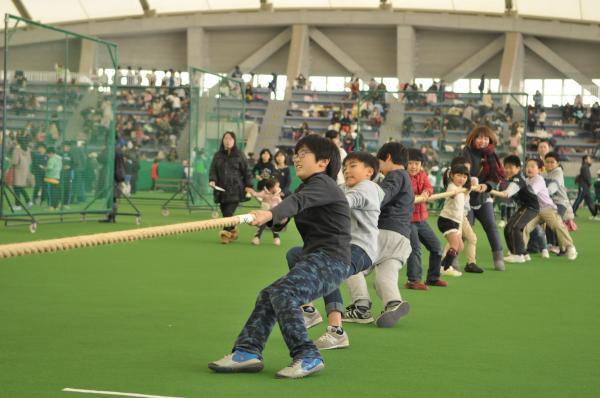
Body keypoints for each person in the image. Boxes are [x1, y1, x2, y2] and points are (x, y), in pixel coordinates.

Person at [208, 134, 351, 378]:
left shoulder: (323, 184)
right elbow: (290, 210)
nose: (297, 158)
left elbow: (297, 201)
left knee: (284, 293)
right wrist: (278, 220)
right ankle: (248, 351)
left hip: (331, 261)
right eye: (296, 154)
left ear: (323, 162)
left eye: (303, 153)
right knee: (268, 295)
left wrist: (270, 214)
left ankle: (308, 355)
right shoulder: (307, 187)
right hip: (315, 259)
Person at [294, 152, 384, 349]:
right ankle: (307, 308)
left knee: (329, 268)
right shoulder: (344, 187)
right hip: (339, 246)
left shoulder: (367, 188)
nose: (347, 170)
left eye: (353, 166)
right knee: (295, 254)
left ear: (369, 172)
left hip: (360, 248)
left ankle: (336, 331)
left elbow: (344, 201)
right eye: (345, 167)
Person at [344, 142, 413, 328]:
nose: (379, 169)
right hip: (402, 239)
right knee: (384, 277)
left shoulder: (395, 175)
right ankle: (393, 303)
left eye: (380, 163)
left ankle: (361, 307)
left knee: (352, 265)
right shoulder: (407, 179)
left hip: (384, 232)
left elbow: (381, 196)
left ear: (388, 158)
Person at [462, 126, 506, 271]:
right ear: (473, 138)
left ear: (490, 140)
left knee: (491, 227)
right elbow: (463, 169)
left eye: (486, 138)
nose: (483, 141)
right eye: (479, 137)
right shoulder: (466, 151)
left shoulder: (492, 155)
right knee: (463, 231)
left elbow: (495, 179)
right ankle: (450, 261)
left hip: (483, 196)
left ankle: (498, 259)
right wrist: (469, 179)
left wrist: (486, 186)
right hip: (466, 197)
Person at [405, 149, 447, 290]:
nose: (413, 166)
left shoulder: (422, 174)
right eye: (410, 163)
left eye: (416, 163)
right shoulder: (403, 176)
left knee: (436, 247)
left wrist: (426, 192)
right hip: (408, 220)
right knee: (415, 249)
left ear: (421, 164)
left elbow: (428, 187)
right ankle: (413, 280)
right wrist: (416, 195)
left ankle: (433, 278)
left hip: (421, 219)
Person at [524, 158, 578, 260]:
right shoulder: (526, 181)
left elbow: (532, 192)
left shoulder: (538, 179)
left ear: (539, 170)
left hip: (547, 208)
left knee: (557, 225)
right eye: (527, 166)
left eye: (532, 166)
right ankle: (520, 251)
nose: (529, 168)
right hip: (535, 210)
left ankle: (569, 247)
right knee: (524, 226)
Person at [493, 156, 540, 263]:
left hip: (531, 207)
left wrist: (488, 190)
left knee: (515, 227)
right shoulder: (511, 178)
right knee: (508, 228)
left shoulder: (517, 179)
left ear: (518, 168)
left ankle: (518, 255)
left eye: (511, 167)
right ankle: (521, 253)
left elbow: (506, 194)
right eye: (506, 167)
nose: (508, 170)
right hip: (525, 207)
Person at [208, 131, 253, 244]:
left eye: (230, 139)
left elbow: (247, 171)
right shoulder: (217, 155)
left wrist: (249, 185)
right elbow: (213, 170)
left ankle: (225, 234)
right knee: (226, 213)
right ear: (222, 140)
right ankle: (233, 229)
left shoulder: (239, 155)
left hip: (236, 189)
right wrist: (212, 180)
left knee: (228, 212)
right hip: (221, 190)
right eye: (226, 138)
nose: (227, 141)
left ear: (234, 141)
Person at [437, 164, 471, 272]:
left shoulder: (460, 189)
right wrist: (455, 193)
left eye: (465, 177)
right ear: (452, 176)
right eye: (459, 175)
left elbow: (462, 202)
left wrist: (467, 191)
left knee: (460, 246)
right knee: (455, 244)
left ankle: (442, 265)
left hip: (455, 222)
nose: (462, 179)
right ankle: (446, 268)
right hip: (447, 220)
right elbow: (451, 194)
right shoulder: (452, 186)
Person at [543, 152, 574, 252]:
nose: (549, 164)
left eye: (552, 162)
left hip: (560, 202)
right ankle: (555, 245)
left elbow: (553, 186)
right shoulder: (547, 173)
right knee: (551, 222)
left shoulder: (558, 172)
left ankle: (558, 245)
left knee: (553, 221)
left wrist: (546, 192)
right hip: (551, 202)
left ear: (558, 163)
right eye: (547, 162)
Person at [250, 179, 285, 246]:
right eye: (277, 186)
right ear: (271, 188)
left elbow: (281, 203)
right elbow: (257, 194)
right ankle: (256, 238)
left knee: (274, 226)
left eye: (278, 186)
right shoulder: (264, 193)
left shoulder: (278, 195)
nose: (278, 188)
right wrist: (252, 192)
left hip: (274, 214)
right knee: (261, 225)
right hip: (264, 213)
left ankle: (276, 238)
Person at [10, 139, 33, 210]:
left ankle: (18, 205)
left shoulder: (17, 150)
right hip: (25, 170)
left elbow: (15, 161)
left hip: (18, 171)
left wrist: (10, 161)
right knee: (20, 187)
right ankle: (28, 201)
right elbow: (30, 161)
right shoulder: (28, 150)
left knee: (16, 187)